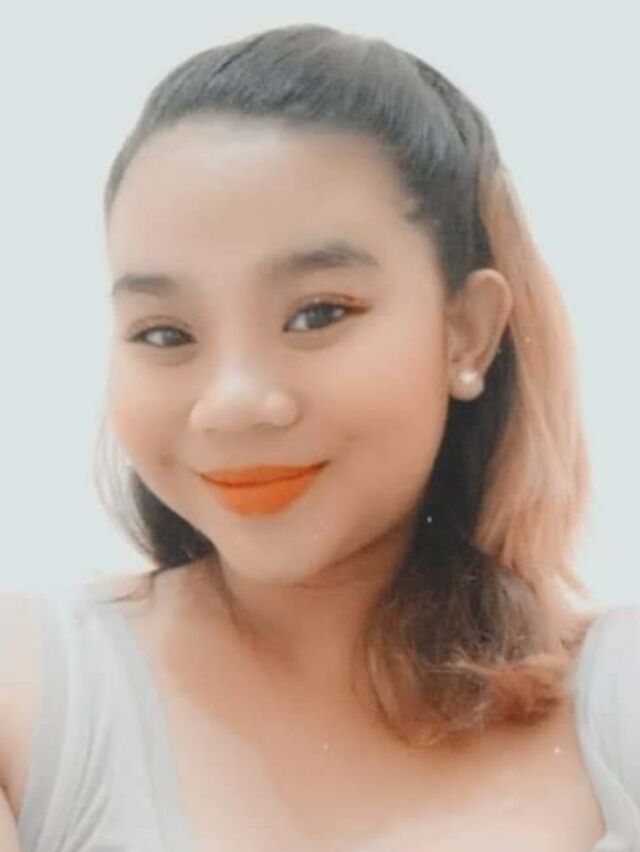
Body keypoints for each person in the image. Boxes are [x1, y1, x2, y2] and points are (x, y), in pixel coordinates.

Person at [1, 22, 638, 852]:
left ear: (466, 333)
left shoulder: (616, 700)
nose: (232, 405)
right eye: (164, 333)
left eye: (317, 314)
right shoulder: (31, 695)